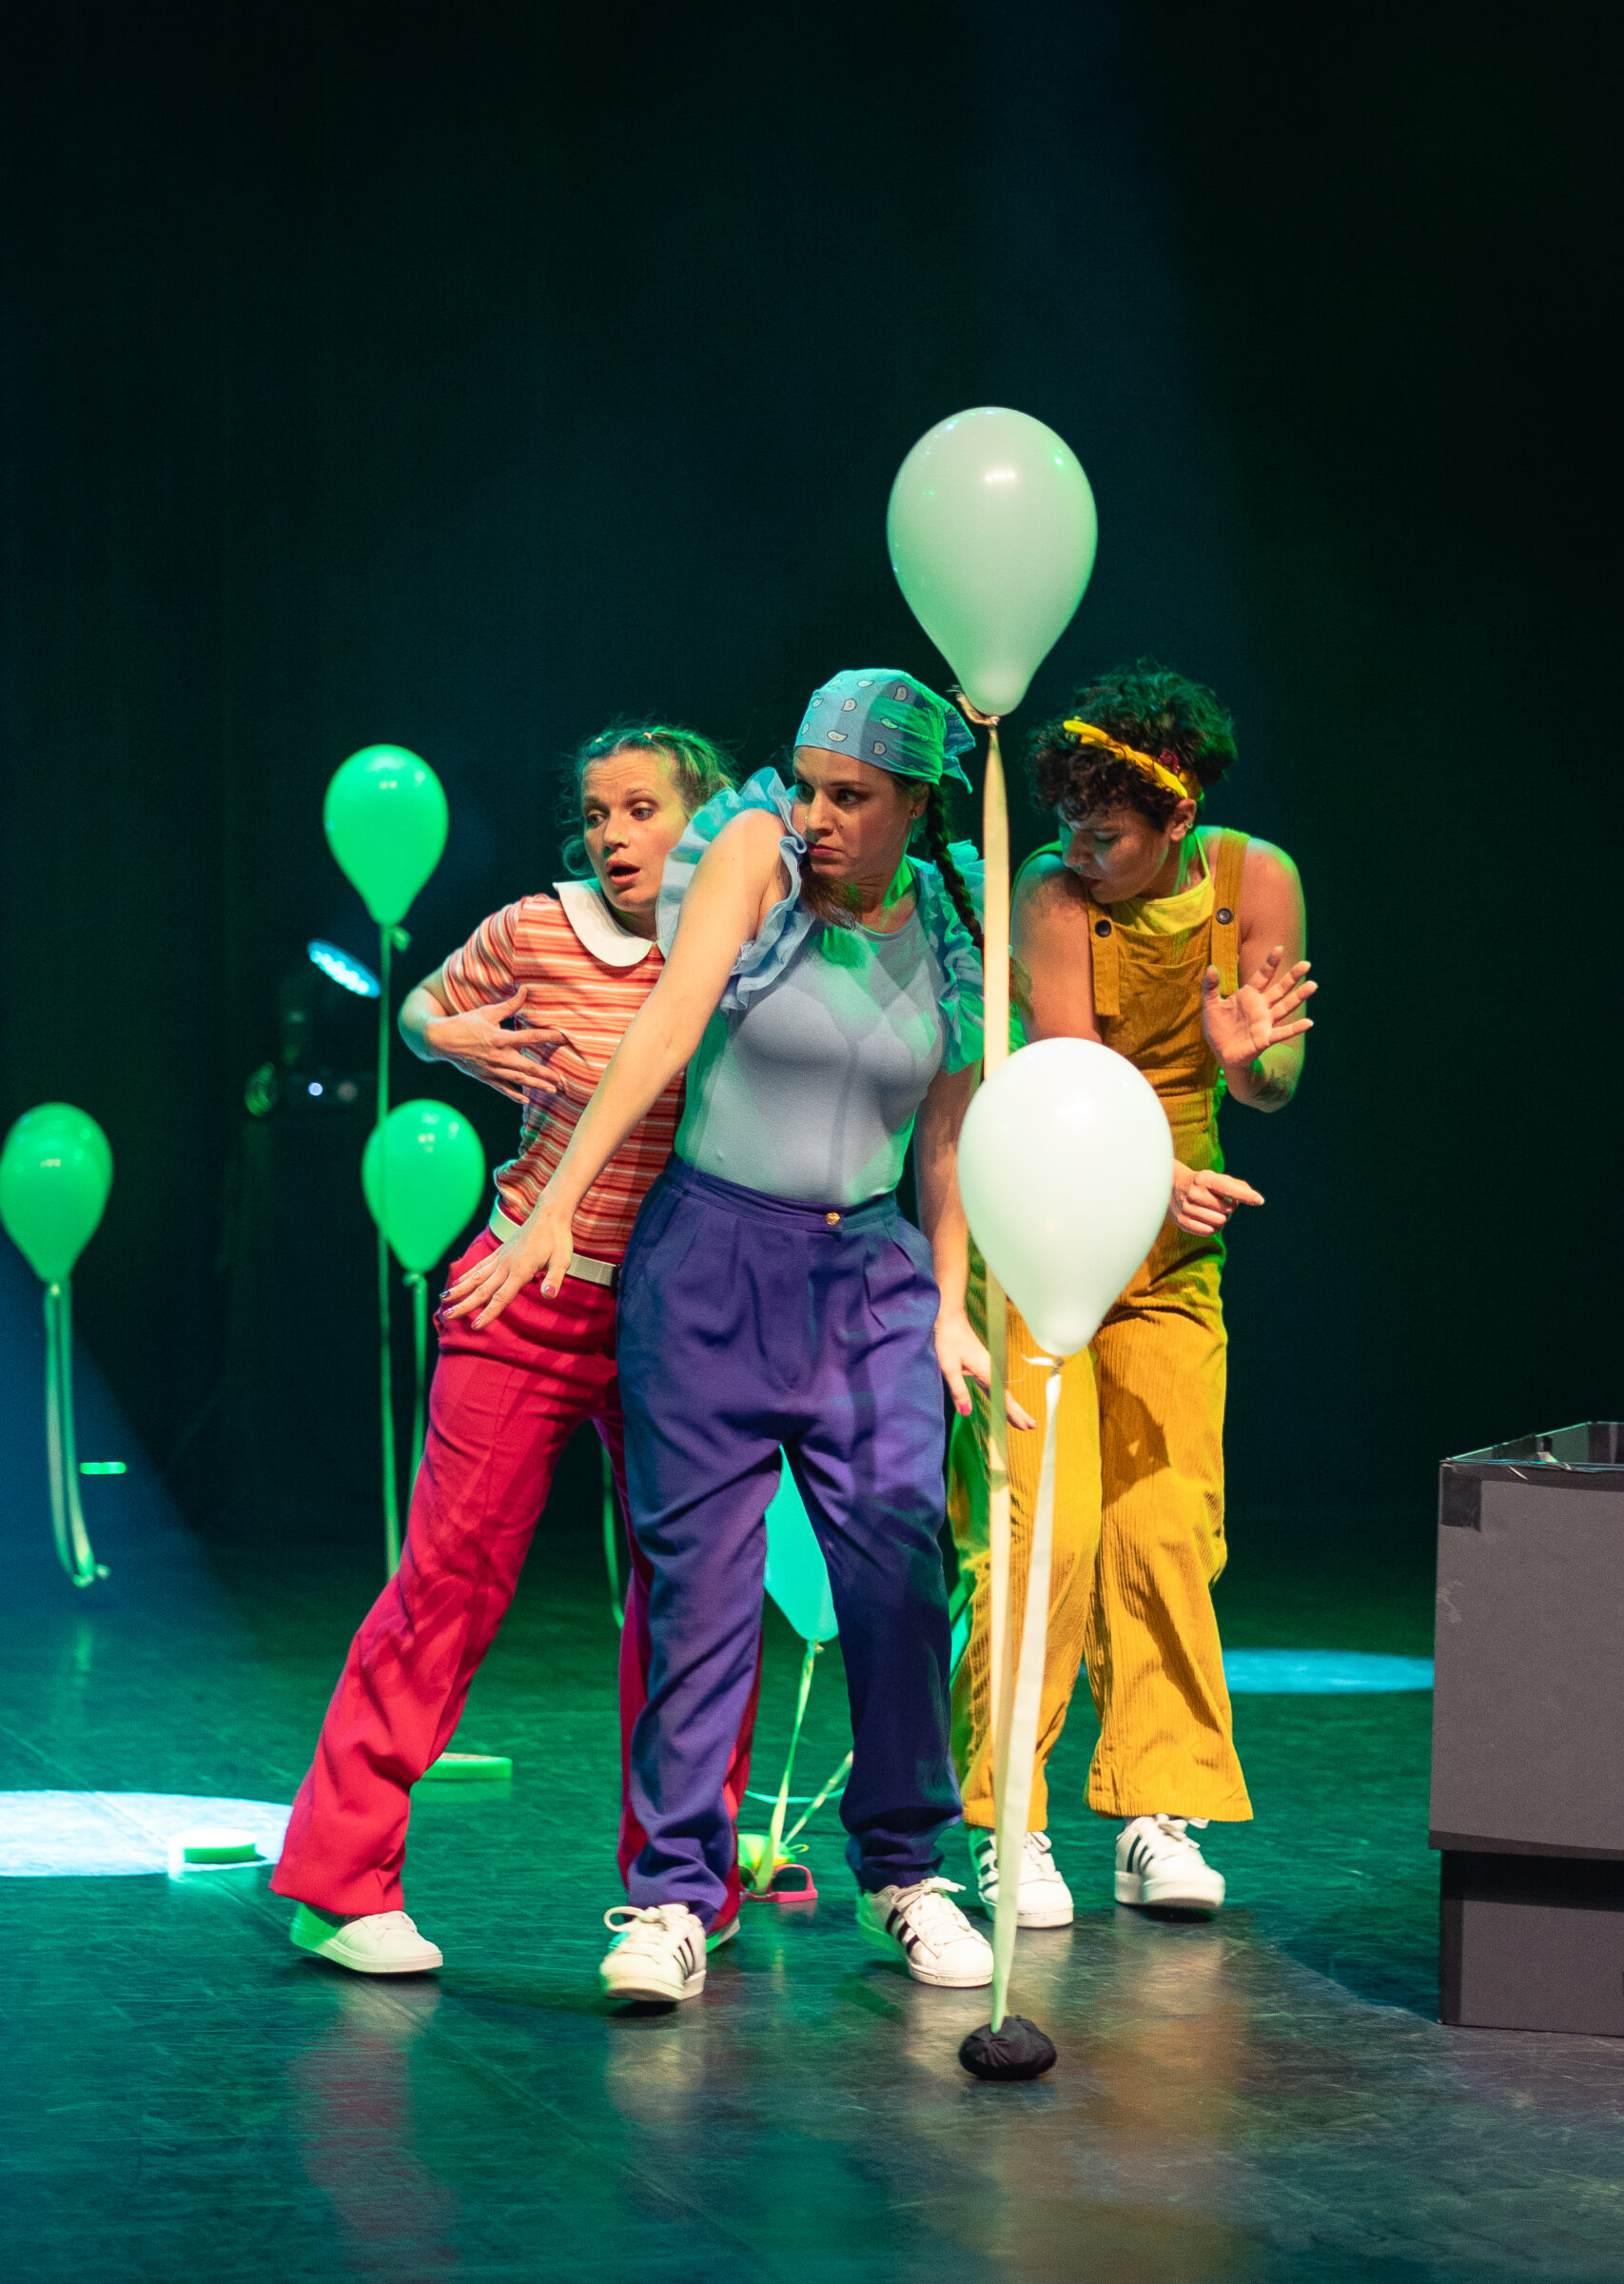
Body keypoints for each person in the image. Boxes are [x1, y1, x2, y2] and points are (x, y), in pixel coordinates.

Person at [445, 670, 1008, 2004]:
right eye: (807, 784)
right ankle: (674, 1897)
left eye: (850, 797)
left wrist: (950, 1307)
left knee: (898, 1577)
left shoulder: (952, 910)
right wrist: (554, 1210)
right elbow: (662, 1035)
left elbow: (944, 1136)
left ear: (916, 804)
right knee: (699, 1595)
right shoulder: (755, 853)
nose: (816, 815)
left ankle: (906, 1871)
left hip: (869, 1277)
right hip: (712, 1265)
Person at [270, 721, 747, 1973]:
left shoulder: (746, 943)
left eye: (641, 809)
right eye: (595, 814)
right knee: (448, 1581)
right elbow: (422, 1004)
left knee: (696, 1603)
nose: (613, 836)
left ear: (705, 818)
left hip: (680, 1320)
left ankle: (688, 1891)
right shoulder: (542, 927)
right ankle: (339, 1884)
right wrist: (444, 1036)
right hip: (525, 1293)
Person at [943, 660, 1316, 1926]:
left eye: (1104, 834)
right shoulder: (1053, 897)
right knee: (1037, 1529)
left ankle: (1161, 1807)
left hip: (1175, 1240)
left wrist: (1244, 1065)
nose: (1075, 850)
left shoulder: (1257, 880)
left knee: (1166, 1522)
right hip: (1047, 1213)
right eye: (1065, 823)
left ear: (1177, 820)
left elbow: (1272, 1084)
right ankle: (1008, 1820)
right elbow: (1069, 1078)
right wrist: (1153, 1176)